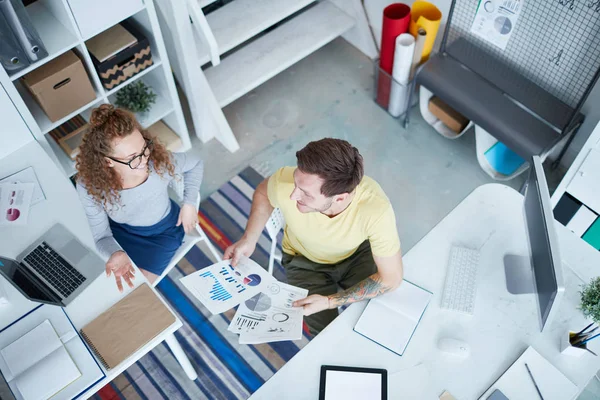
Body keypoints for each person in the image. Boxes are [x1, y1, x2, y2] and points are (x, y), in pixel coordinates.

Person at [224, 138, 403, 336]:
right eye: (295, 182)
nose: (292, 196)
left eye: (305, 193)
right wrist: (249, 238)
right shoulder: (285, 180)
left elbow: (391, 279)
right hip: (303, 262)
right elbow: (263, 193)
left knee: (380, 315)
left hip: (355, 256)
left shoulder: (376, 210)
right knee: (324, 336)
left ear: (340, 198)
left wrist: (329, 301)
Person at [76, 104, 203, 291]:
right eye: (133, 157)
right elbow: (102, 236)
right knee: (93, 280)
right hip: (120, 232)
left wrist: (189, 203)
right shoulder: (90, 186)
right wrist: (116, 252)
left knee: (134, 289)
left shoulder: (159, 164)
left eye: (145, 148)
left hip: (164, 233)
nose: (145, 160)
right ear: (108, 161)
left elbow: (196, 163)